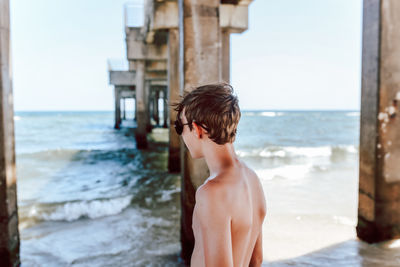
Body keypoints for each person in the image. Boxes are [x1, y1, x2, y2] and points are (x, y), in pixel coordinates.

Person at [173, 83, 267, 267]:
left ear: (197, 128)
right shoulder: (251, 179)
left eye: (179, 126)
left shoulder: (211, 193)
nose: (181, 135)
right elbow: (256, 260)